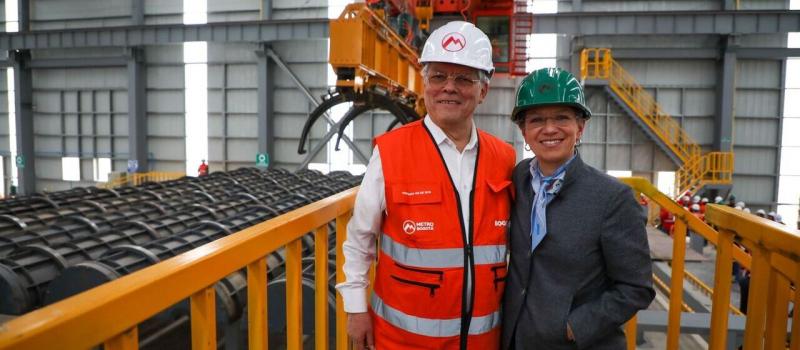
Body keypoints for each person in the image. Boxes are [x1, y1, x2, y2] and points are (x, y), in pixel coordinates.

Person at [336, 21, 516, 350]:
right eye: (438, 77)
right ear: (424, 84)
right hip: (403, 341)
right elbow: (359, 238)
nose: (449, 87)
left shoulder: (505, 158)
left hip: (482, 342)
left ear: (483, 91)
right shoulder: (390, 153)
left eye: (464, 78)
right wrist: (356, 308)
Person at [502, 67, 655, 349]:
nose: (549, 129)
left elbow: (636, 287)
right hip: (518, 339)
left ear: (580, 126)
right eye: (536, 120)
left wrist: (574, 326)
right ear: (524, 130)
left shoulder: (612, 198)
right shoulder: (518, 179)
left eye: (562, 117)